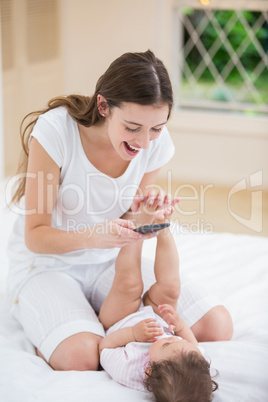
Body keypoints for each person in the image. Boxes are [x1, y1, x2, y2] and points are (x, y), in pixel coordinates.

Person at [6, 50, 233, 372]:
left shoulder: (156, 142)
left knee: (216, 326)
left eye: (156, 128)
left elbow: (130, 217)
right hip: (45, 265)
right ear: (103, 107)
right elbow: (36, 237)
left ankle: (97, 321)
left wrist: (147, 212)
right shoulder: (57, 130)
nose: (143, 143)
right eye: (132, 127)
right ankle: (72, 325)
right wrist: (95, 236)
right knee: (82, 357)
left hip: (109, 261)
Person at [99, 200, 218, 401]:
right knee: (171, 288)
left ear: (148, 372)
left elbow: (105, 347)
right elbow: (192, 342)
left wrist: (133, 333)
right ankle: (163, 227)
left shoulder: (128, 371)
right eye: (179, 341)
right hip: (154, 313)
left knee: (130, 284)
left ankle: (136, 230)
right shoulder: (191, 360)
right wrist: (179, 327)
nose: (168, 337)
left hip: (120, 320)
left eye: (165, 345)